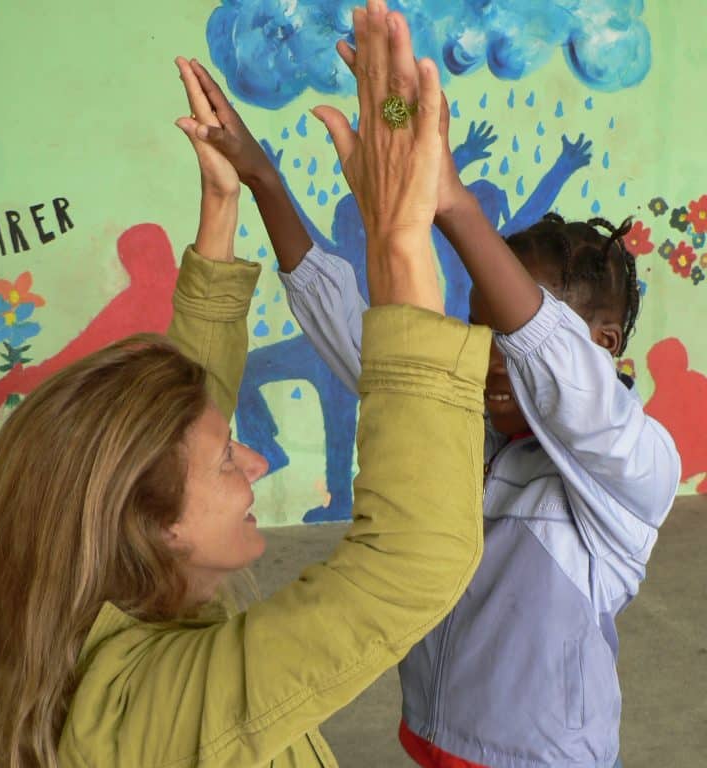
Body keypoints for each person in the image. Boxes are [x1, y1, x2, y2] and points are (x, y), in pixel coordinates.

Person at [0, 3, 491, 766]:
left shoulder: (78, 602)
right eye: (230, 457)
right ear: (156, 531)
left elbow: (185, 418)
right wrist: (399, 228)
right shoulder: (145, 710)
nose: (257, 462)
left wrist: (227, 199)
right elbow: (415, 553)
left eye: (235, 449)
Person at [192, 22, 681, 768]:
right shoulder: (466, 429)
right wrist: (261, 177)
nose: (488, 355)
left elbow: (567, 382)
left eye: (512, 333)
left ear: (603, 344)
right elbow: (361, 335)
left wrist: (448, 201)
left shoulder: (634, 467)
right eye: (479, 330)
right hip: (430, 740)